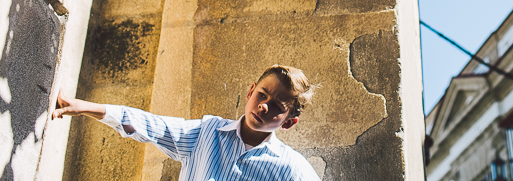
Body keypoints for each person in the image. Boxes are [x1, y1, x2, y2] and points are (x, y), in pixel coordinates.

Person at [51, 64, 322, 181]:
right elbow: (149, 126)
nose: (263, 105)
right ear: (251, 91)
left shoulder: (290, 169)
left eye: (276, 106)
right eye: (262, 95)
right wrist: (83, 107)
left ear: (288, 122)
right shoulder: (207, 133)